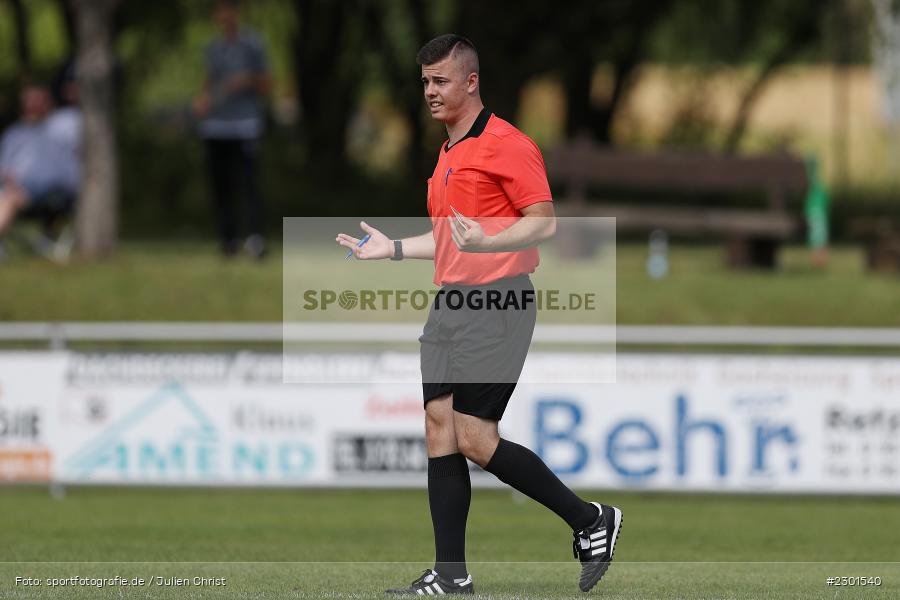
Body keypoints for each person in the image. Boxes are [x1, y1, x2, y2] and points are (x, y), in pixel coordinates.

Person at [336, 34, 623, 595]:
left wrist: (488, 242)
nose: (430, 92)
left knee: (472, 435)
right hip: (452, 302)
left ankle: (591, 520)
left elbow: (543, 221)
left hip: (499, 302)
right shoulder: (448, 152)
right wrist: (392, 248)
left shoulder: (507, 144)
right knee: (438, 428)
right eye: (424, 82)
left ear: (470, 82)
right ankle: (451, 576)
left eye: (440, 81)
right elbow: (452, 238)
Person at [194, 0, 271, 258]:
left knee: (249, 185)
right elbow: (208, 82)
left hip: (244, 125)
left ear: (238, 13)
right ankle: (228, 241)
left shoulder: (253, 44)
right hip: (216, 126)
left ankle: (256, 238)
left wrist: (246, 79)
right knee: (221, 186)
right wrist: (203, 100)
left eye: (229, 9)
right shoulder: (214, 48)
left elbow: (267, 82)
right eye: (220, 10)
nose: (224, 15)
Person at [0, 84, 80, 241]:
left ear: (48, 104)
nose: (31, 107)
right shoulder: (15, 133)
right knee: (8, 194)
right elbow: (4, 166)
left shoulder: (65, 125)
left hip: (53, 191)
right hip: (13, 187)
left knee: (10, 198)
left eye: (36, 103)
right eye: (28, 104)